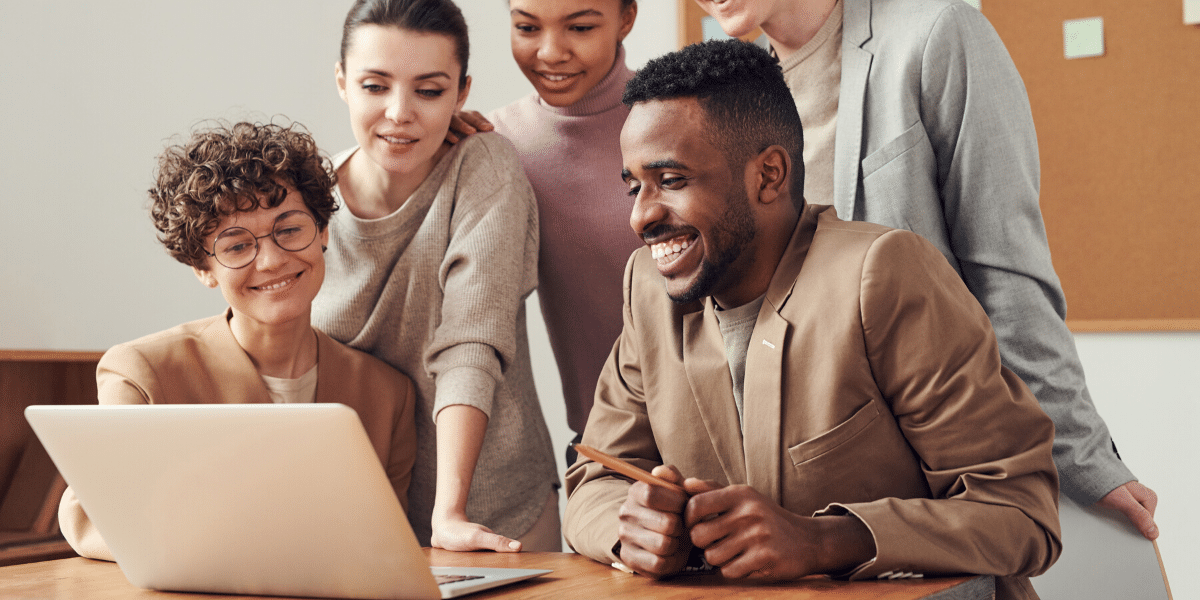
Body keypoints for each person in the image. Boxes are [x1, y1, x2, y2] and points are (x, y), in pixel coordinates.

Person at [564, 40, 1060, 600]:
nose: (640, 216)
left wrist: (823, 541)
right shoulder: (648, 290)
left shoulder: (882, 275)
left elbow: (1022, 514)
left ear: (769, 176)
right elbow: (595, 479)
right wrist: (633, 532)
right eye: (633, 186)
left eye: (671, 181)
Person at [692, 0, 1158, 539]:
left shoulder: (937, 35)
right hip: (798, 500)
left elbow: (1006, 271)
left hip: (940, 478)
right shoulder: (731, 93)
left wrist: (1084, 457)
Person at [58, 121, 418, 562]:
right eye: (235, 246)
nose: (271, 260)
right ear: (203, 268)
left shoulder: (387, 394)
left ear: (324, 232)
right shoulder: (141, 375)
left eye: (289, 229)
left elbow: (387, 547)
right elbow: (93, 519)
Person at [311, 0, 559, 553]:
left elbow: (470, 339)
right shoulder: (306, 199)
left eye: (429, 91)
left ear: (461, 93)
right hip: (355, 517)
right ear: (342, 82)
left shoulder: (483, 166)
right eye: (376, 86)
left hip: (491, 513)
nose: (400, 113)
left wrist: (450, 513)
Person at [482, 0, 643, 465]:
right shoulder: (495, 144)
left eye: (579, 27)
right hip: (604, 452)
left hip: (730, 437)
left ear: (626, 18)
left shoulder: (680, 118)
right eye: (528, 27)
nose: (550, 52)